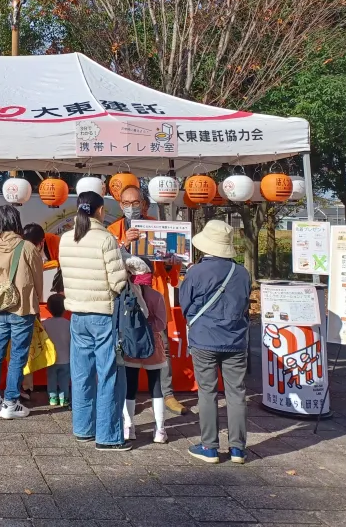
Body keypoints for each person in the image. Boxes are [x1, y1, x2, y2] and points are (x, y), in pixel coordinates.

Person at [59, 191, 130, 451]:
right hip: (103, 314)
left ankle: (83, 428)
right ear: (100, 211)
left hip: (77, 314)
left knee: (81, 373)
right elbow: (117, 281)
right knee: (108, 373)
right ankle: (108, 436)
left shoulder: (66, 239)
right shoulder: (106, 239)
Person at [107, 184, 187, 415]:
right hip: (126, 295)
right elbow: (109, 260)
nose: (131, 207)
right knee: (123, 343)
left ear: (143, 204)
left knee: (161, 342)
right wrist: (124, 244)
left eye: (136, 203)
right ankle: (123, 392)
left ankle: (167, 393)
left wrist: (173, 259)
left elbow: (171, 266)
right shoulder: (113, 229)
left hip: (154, 293)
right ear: (120, 205)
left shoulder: (157, 226)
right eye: (126, 203)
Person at [179, 220, 251, 465]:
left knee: (207, 392)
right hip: (236, 339)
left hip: (205, 339)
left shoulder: (196, 272)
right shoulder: (242, 272)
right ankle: (238, 449)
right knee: (236, 393)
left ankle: (209, 447)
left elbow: (185, 305)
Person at [0, 205, 43, 419]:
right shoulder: (27, 247)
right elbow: (37, 279)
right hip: (22, 307)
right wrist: (38, 304)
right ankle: (10, 402)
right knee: (17, 355)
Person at [121, 256, 169, 444]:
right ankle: (160, 429)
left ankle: (129, 426)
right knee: (156, 387)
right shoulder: (156, 296)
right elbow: (161, 323)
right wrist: (148, 327)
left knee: (130, 387)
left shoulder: (126, 296)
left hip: (130, 344)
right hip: (153, 345)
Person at [42, 293, 71, 407]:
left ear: (48, 308)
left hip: (50, 358)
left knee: (51, 378)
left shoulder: (45, 323)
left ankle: (53, 398)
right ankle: (64, 399)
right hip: (66, 358)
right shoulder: (68, 323)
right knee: (64, 379)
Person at [23, 224, 63, 294]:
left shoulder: (54, 241)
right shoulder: (23, 247)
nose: (31, 249)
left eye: (34, 246)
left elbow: (62, 267)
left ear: (42, 241)